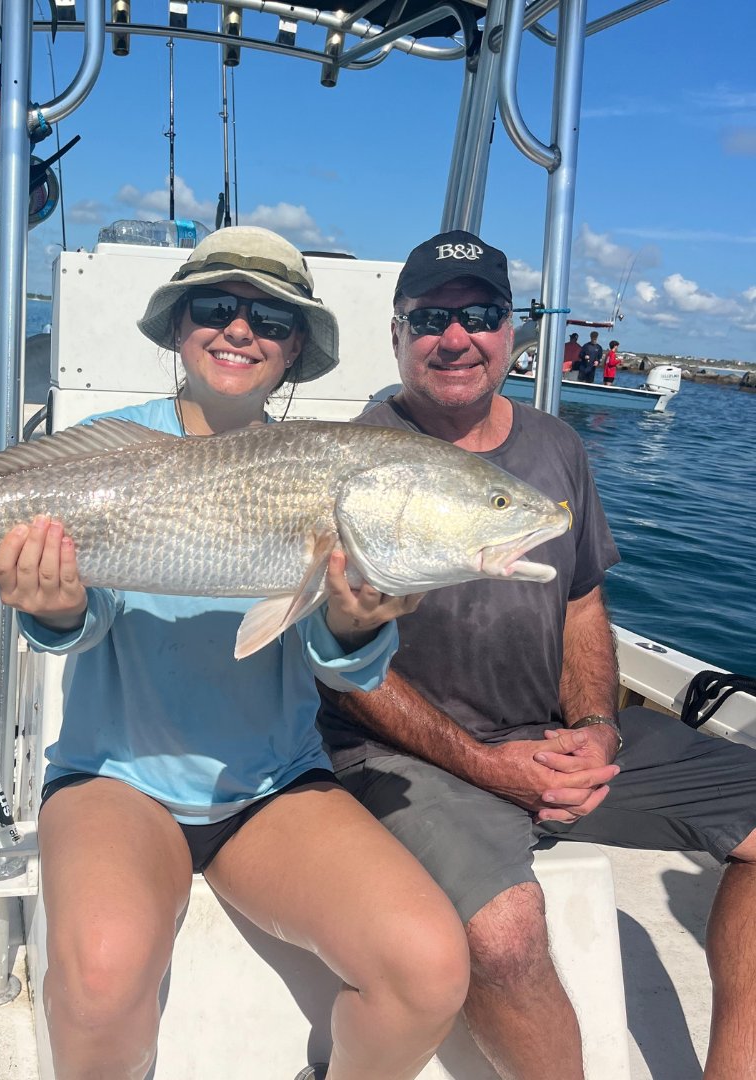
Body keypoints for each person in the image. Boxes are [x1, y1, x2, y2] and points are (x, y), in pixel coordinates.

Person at [0, 227, 469, 1080]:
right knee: (99, 981)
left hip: (272, 785)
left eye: (273, 319)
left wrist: (357, 623)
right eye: (215, 306)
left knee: (429, 969)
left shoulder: (331, 464)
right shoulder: (108, 445)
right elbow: (76, 620)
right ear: (179, 325)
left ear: (295, 351)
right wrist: (56, 608)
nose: (240, 329)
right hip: (116, 777)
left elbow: (338, 659)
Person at [317, 228, 756, 1080]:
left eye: (479, 314)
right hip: (413, 758)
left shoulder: (556, 448)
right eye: (429, 318)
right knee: (507, 937)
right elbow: (342, 665)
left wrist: (596, 725)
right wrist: (492, 767)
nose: (456, 337)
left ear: (512, 329)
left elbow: (584, 602)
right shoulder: (359, 458)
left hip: (553, 738)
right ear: (398, 334)